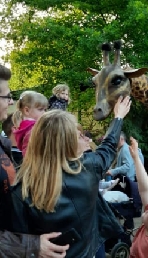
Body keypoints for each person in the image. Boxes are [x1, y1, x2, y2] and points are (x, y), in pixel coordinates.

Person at [10, 96, 131, 258]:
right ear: (68, 143)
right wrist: (118, 117)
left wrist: (32, 245)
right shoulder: (89, 167)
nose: (83, 138)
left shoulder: (21, 189)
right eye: (77, 135)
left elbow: (11, 239)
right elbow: (108, 147)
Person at [0, 64, 68, 257]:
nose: (11, 101)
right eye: (6, 97)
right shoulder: (32, 130)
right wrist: (30, 245)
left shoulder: (3, 144)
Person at [13, 90, 48, 156]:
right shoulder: (32, 129)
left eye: (45, 109)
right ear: (27, 110)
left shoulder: (24, 126)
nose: (44, 113)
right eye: (40, 109)